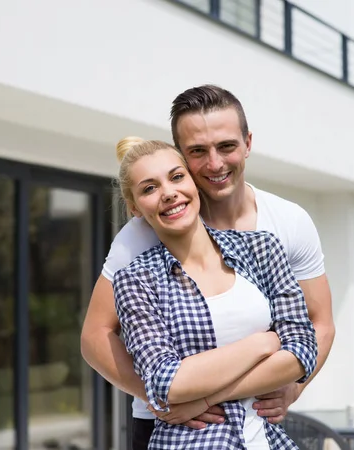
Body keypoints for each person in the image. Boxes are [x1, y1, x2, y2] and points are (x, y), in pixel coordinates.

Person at [81, 85, 335, 450]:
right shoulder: (139, 237)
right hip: (168, 428)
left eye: (227, 146)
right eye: (198, 152)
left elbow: (318, 323)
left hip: (257, 420)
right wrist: (163, 398)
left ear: (248, 143)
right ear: (182, 155)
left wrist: (294, 387)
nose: (215, 164)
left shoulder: (285, 224)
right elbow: (95, 337)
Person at [112, 136, 318, 450]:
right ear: (134, 208)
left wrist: (207, 396)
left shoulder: (261, 248)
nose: (168, 193)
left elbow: (303, 348)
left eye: (176, 177)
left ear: (194, 183)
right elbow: (166, 383)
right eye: (149, 188)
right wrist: (264, 342)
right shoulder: (135, 280)